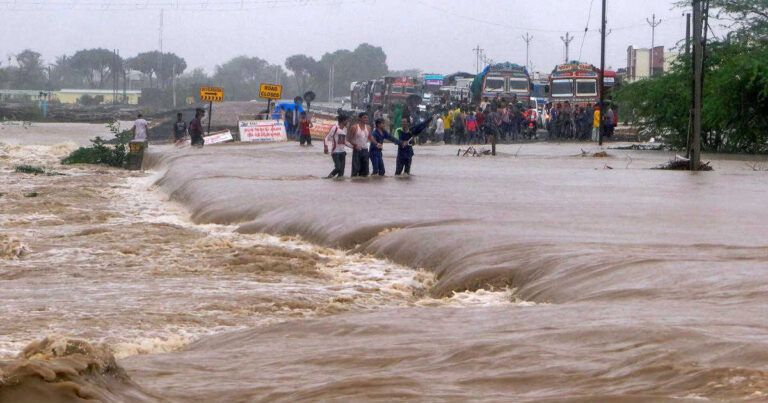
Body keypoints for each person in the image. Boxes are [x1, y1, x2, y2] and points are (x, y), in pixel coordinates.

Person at [347, 112, 371, 177]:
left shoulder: (368, 127)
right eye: (364, 117)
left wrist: (377, 143)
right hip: (357, 150)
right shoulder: (354, 127)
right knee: (355, 169)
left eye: (367, 118)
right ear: (360, 118)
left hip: (365, 150)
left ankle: (362, 185)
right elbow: (349, 139)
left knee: (365, 170)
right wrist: (355, 145)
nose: (366, 119)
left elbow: (370, 137)